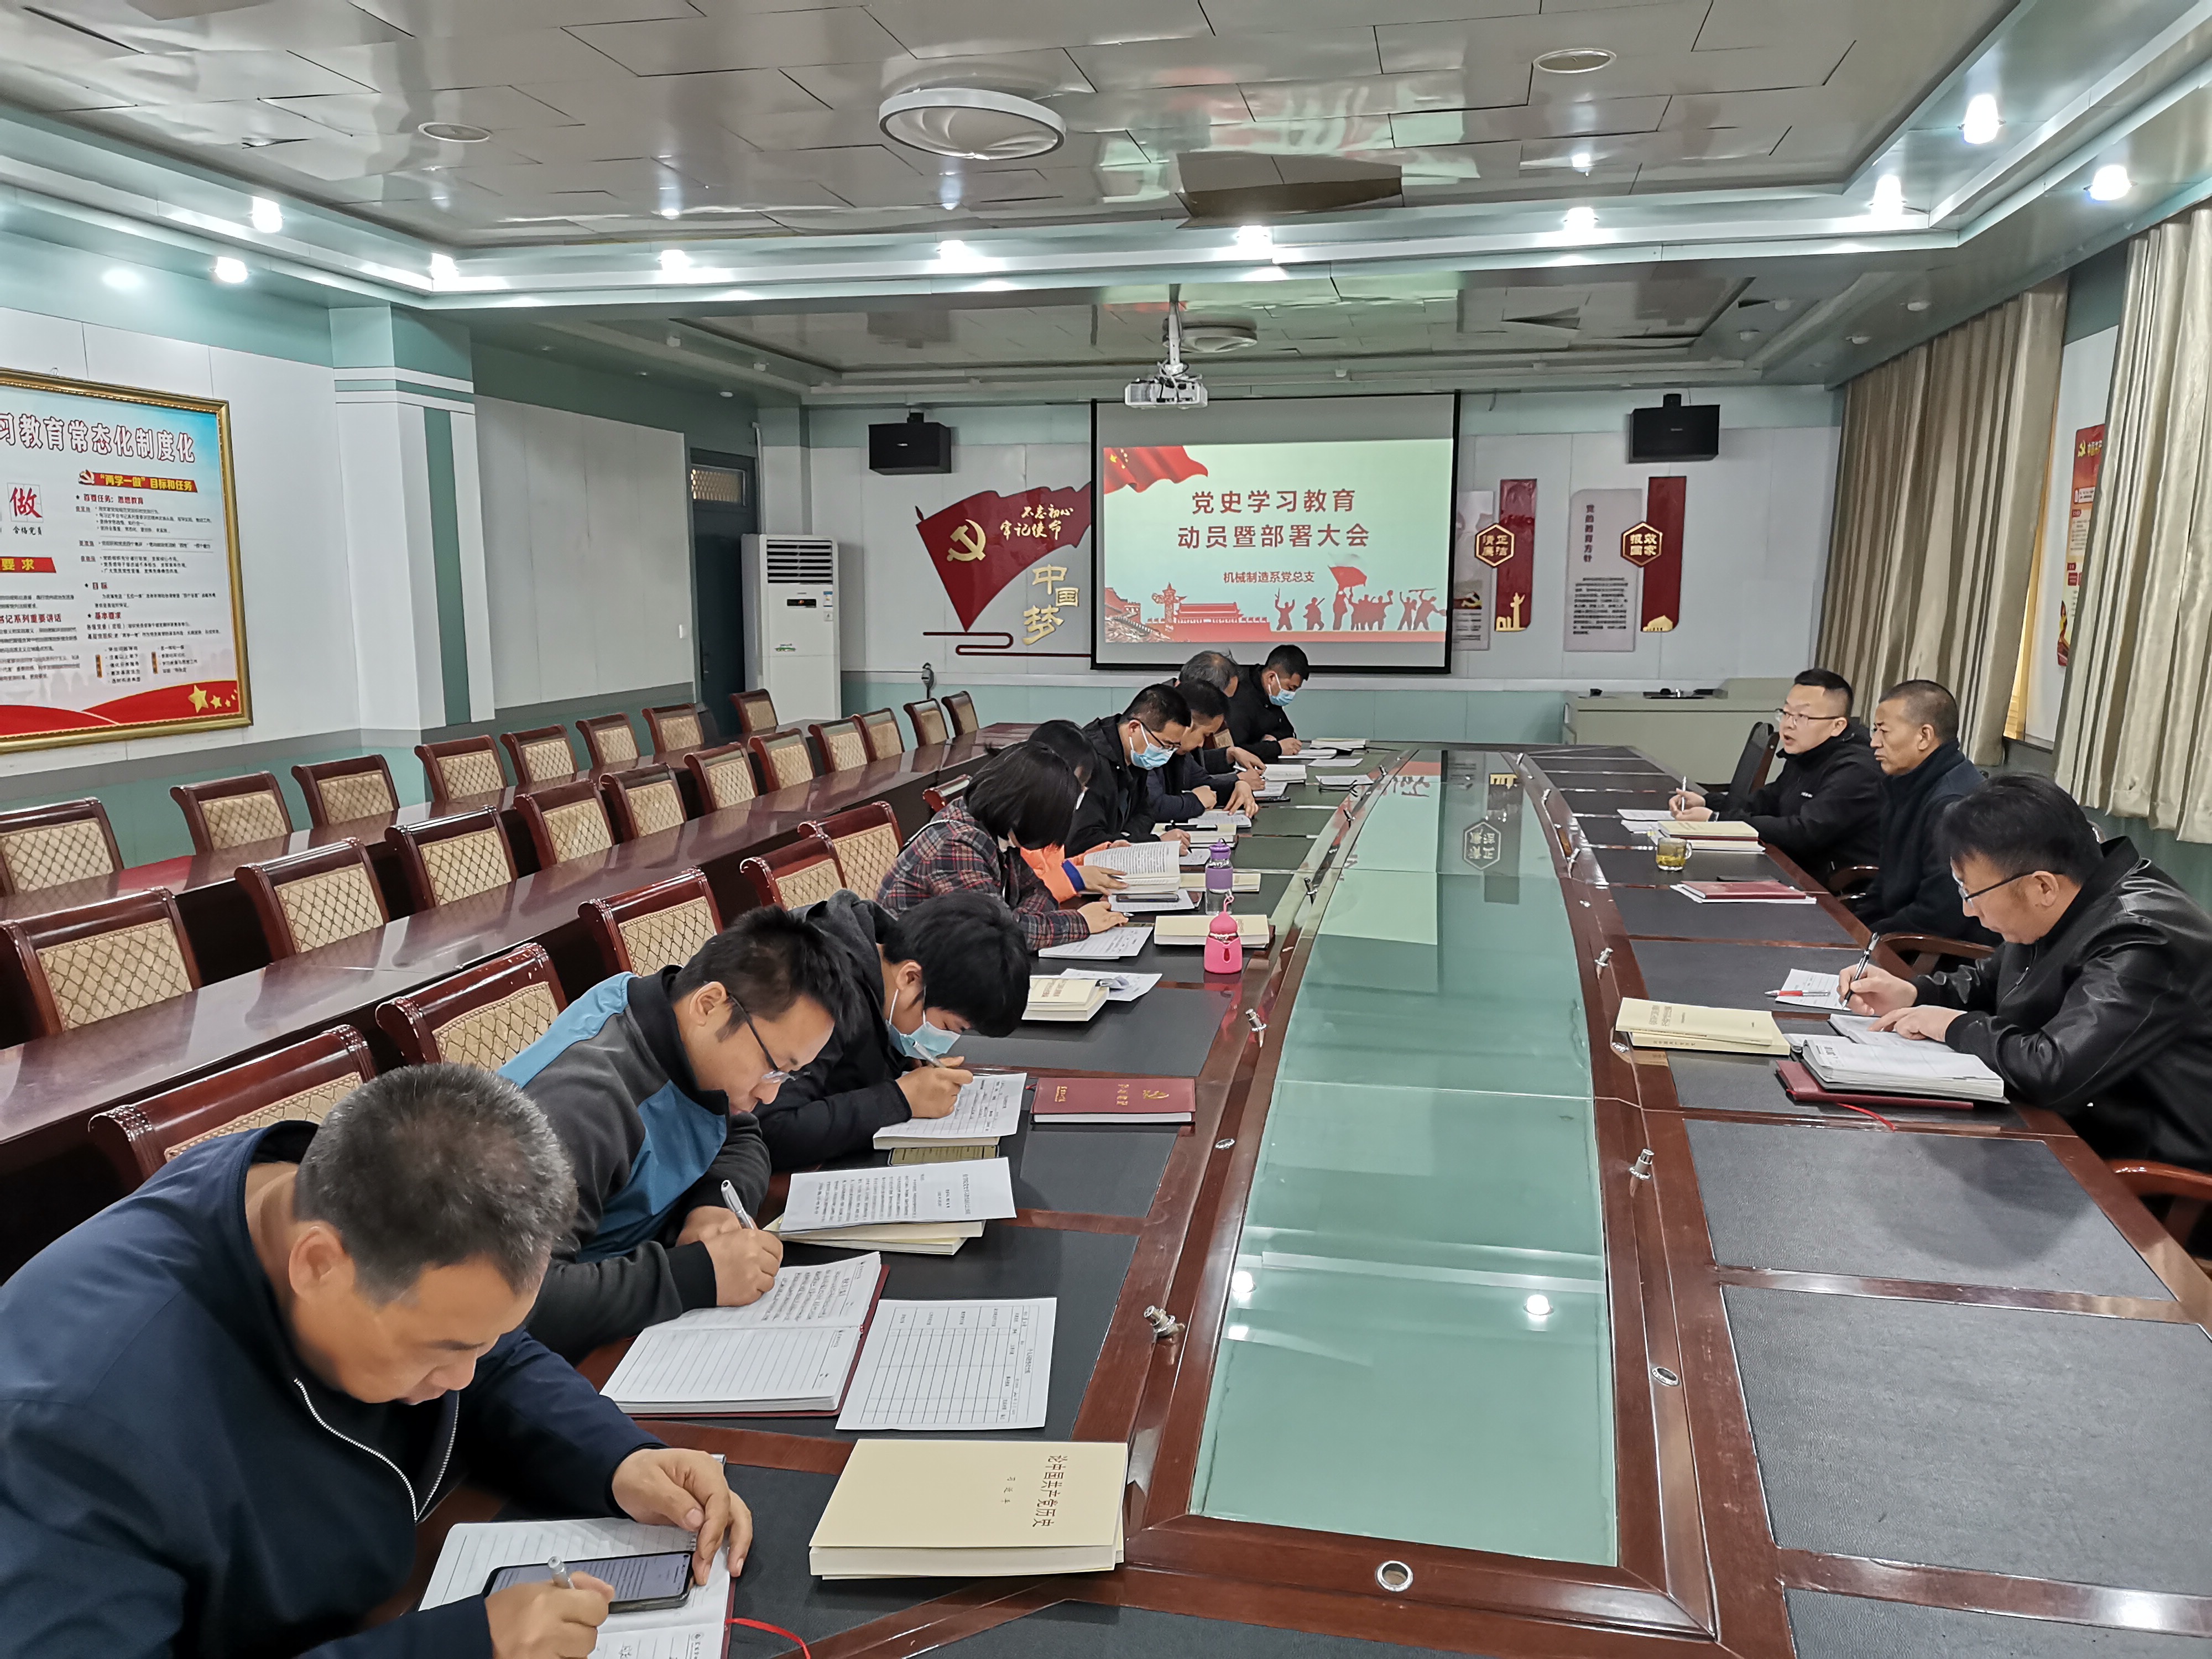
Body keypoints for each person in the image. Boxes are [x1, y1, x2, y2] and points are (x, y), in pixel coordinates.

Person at [0, 1066, 747, 1658]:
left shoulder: (339, 1197)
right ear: (317, 1265)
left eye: (479, 1341)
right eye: (441, 1352)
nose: (464, 1376)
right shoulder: (76, 1426)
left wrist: (618, 1458)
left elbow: (490, 1355)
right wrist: (462, 1646)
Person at [502, 909, 841, 1359]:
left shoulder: (686, 1041)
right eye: (772, 1066)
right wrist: (698, 1275)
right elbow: (521, 1303)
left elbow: (741, 1136)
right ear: (710, 1005)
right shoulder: (584, 1103)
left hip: (629, 1308)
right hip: (534, 1354)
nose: (770, 1094)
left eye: (788, 1076)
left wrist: (713, 1205)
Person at [1841, 775, 2212, 1173]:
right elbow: (1991, 981)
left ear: (2042, 887)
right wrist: (1915, 994)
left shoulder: (2140, 937)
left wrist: (1954, 1026)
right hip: (2073, 1126)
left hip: (2145, 1167)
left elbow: (2053, 1071)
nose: (1968, 911)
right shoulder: (2067, 898)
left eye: (1971, 893)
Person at [759, 890, 1029, 1168]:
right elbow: (770, 1130)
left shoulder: (881, 961)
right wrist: (901, 1099)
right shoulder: (819, 993)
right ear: (911, 977)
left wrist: (900, 1058)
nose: (946, 1041)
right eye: (950, 1027)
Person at [878, 740, 1122, 948]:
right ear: (1024, 811)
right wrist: (1081, 923)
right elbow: (996, 934)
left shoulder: (997, 827)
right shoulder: (956, 845)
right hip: (912, 972)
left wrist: (1019, 921)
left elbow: (1038, 891)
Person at [1667, 669, 1882, 886]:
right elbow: (1766, 802)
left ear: (1837, 726)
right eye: (1786, 713)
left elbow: (1805, 832)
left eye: (1802, 717)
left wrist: (1717, 821)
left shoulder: (1856, 770)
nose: (1788, 724)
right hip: (1789, 868)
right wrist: (1708, 803)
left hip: (1829, 888)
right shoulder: (1809, 753)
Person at [1844, 679, 1994, 945]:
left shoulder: (1953, 805)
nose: (1874, 742)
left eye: (1884, 731)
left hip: (1931, 950)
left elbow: (1941, 912)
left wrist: (1868, 938)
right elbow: (1886, 881)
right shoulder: (1904, 783)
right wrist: (1852, 929)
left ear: (1924, 736)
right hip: (1897, 931)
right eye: (1875, 731)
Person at [1016, 718, 1134, 902]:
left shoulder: (1049, 820)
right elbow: (1030, 893)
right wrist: (1075, 879)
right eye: (1078, 785)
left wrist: (1104, 853)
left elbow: (1058, 869)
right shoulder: (1021, 827)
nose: (1083, 792)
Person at [1067, 682, 1192, 855]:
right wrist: (1154, 843)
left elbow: (1145, 813)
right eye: (1165, 745)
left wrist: (1127, 839)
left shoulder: (1136, 756)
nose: (1166, 754)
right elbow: (1082, 840)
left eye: (1173, 748)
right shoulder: (1091, 761)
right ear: (1134, 728)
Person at [1149, 679, 1257, 822]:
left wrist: (1238, 787)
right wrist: (1196, 801)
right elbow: (1153, 807)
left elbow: (1203, 783)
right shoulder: (1148, 751)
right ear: (1188, 723)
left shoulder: (1181, 754)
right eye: (1205, 735)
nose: (1201, 744)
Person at [1228, 642, 1307, 761]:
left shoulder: (1268, 694)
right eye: (1290, 688)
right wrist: (1276, 748)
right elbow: (1235, 751)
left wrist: (1273, 738)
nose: (1291, 694)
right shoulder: (1240, 697)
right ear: (1271, 678)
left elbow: (1287, 732)